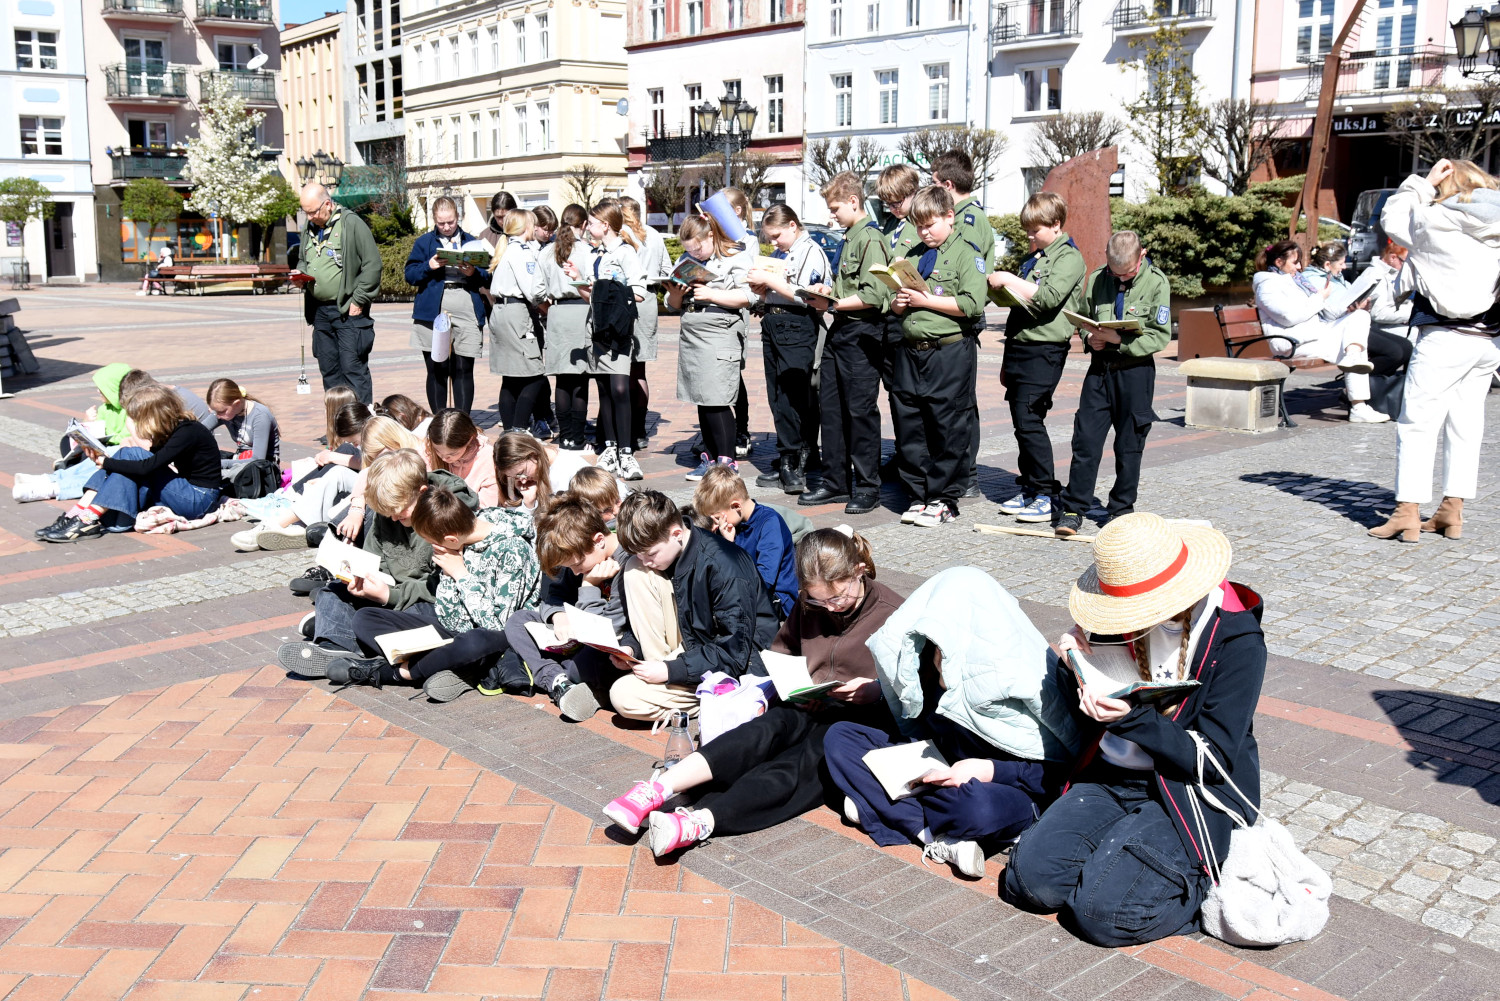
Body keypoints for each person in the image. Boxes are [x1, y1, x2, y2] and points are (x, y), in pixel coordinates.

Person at [1001, 513, 1267, 948]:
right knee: (1031, 884)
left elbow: (1214, 760)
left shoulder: (1236, 640)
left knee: (1103, 917)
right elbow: (1092, 706)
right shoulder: (1113, 614)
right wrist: (1075, 666)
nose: (1129, 618)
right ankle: (1121, 848)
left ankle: (1188, 883)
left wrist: (1129, 718)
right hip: (1111, 775)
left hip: (1187, 789)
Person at [600, 527, 902, 857]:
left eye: (838, 597)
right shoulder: (809, 604)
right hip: (810, 702)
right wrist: (791, 687)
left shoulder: (893, 614)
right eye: (819, 599)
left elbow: (915, 692)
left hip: (861, 719)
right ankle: (656, 790)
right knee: (759, 733)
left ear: (859, 571)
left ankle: (700, 821)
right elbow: (783, 649)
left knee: (804, 765)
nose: (829, 607)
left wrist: (877, 692)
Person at [825, 567, 1079, 877]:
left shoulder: (1022, 675)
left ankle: (884, 807)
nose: (940, 652)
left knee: (976, 808)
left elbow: (1061, 773)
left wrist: (989, 770)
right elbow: (913, 726)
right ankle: (933, 836)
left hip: (1002, 788)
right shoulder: (923, 658)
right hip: (938, 767)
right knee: (841, 737)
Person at [1370, 158, 1500, 543]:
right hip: (1487, 341)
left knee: (1418, 424)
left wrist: (1422, 184)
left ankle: (1407, 513)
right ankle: (1451, 510)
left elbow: (1393, 218)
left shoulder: (1435, 219)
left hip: (1445, 337)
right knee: (1466, 424)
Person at [328, 485, 541, 702]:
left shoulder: (513, 550)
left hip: (493, 636)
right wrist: (450, 576)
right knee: (365, 618)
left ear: (451, 539)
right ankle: (449, 664)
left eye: (433, 543)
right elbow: (445, 612)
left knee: (474, 642)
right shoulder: (458, 536)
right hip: (453, 629)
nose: (433, 548)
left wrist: (461, 575)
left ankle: (399, 673)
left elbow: (498, 625)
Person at [277, 448, 479, 676]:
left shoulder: (445, 515)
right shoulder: (390, 513)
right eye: (387, 512)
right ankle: (334, 647)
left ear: (421, 492)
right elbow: (374, 558)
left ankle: (345, 636)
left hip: (424, 601)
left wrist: (388, 595)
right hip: (389, 594)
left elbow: (441, 589)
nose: (393, 517)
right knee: (331, 592)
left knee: (414, 614)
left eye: (399, 512)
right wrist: (361, 579)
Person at [601, 490, 779, 723]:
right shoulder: (667, 552)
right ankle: (661, 676)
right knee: (635, 568)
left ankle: (709, 696)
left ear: (676, 533)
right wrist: (631, 648)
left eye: (650, 553)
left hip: (737, 667)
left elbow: (733, 654)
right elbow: (667, 617)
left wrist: (671, 670)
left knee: (623, 695)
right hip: (692, 650)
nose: (646, 560)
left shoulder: (724, 566)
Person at [1055, 231, 1171, 537]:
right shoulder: (1098, 278)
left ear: (1142, 255)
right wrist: (1089, 338)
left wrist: (1119, 340)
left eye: (1127, 273)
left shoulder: (1157, 282)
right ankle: (1073, 508)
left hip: (1135, 371)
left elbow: (1160, 335)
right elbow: (1083, 317)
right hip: (1100, 370)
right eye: (1114, 271)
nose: (1119, 278)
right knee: (1086, 441)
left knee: (1129, 444)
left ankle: (1120, 510)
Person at [888, 186, 987, 529]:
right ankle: (918, 495)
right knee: (910, 424)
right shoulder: (912, 255)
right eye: (918, 226)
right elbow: (896, 304)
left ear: (949, 216)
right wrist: (898, 303)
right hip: (911, 350)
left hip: (948, 351)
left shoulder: (966, 254)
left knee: (947, 426)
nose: (924, 232)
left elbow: (972, 304)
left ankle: (944, 498)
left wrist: (924, 300)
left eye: (930, 225)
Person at [989, 192, 1087, 526]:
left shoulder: (1068, 258)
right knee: (1021, 422)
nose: (1030, 236)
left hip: (1044, 348)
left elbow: (1047, 298)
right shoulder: (1037, 257)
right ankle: (1031, 486)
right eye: (1028, 230)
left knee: (1030, 419)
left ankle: (1045, 493)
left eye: (1036, 230)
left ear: (1056, 224)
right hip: (1021, 344)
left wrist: (1009, 279)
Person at [802, 172, 887, 514]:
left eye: (835, 208)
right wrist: (828, 292)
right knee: (832, 409)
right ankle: (835, 481)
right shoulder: (850, 237)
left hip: (862, 333)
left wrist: (832, 303)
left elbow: (874, 294)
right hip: (841, 329)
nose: (832, 214)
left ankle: (867, 487)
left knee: (860, 412)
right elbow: (847, 287)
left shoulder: (871, 239)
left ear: (854, 201)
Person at [39, 385, 222, 543]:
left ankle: (87, 519)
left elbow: (147, 466)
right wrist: (105, 460)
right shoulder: (170, 429)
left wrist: (107, 463)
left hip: (200, 499)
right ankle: (76, 515)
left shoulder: (188, 431)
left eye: (139, 418)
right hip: (186, 494)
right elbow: (147, 463)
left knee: (131, 455)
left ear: (155, 414)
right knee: (127, 455)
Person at [507, 492, 628, 720]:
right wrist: (558, 616)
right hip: (576, 636)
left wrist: (590, 585)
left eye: (576, 564)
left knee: (581, 665)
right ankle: (557, 680)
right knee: (518, 621)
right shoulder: (583, 555)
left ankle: (560, 678)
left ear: (599, 540)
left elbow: (606, 632)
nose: (575, 572)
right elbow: (555, 595)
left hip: (608, 647)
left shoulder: (626, 565)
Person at [665, 209, 757, 480]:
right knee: (702, 398)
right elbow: (672, 306)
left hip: (720, 330)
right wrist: (675, 294)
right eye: (689, 251)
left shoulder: (735, 256)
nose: (694, 254)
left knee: (717, 398)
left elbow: (749, 296)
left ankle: (727, 463)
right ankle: (711, 457)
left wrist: (712, 294)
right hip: (693, 331)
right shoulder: (686, 260)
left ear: (711, 236)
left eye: (698, 248)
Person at [747, 204, 829, 495]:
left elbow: (808, 295)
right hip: (774, 322)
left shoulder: (810, 251)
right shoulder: (781, 254)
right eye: (769, 237)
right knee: (777, 393)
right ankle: (790, 454)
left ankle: (794, 459)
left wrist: (771, 282)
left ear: (793, 226)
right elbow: (777, 289)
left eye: (777, 235)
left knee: (792, 393)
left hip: (796, 324)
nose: (773, 242)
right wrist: (762, 292)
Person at [1251, 240, 1382, 423]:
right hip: (1293, 342)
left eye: (1299, 262)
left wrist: (1351, 306)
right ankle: (1358, 407)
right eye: (1295, 262)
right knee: (1354, 346)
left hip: (1314, 336)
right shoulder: (1267, 286)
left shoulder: (1296, 280)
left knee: (1359, 318)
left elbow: (1326, 314)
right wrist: (1319, 298)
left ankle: (1353, 361)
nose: (1299, 267)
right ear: (1279, 262)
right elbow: (1288, 317)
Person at [931, 149, 996, 499]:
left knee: (960, 404)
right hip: (945, 313)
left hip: (960, 316)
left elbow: (967, 275)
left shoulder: (969, 220)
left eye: (934, 183)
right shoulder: (965, 215)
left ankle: (967, 473)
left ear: (947, 185)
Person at [577, 201, 647, 481]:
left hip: (618, 329)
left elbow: (639, 291)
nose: (588, 227)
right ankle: (609, 448)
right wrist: (579, 283)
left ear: (606, 225)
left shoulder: (625, 252)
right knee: (604, 390)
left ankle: (626, 452)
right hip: (596, 328)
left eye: (592, 223)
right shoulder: (595, 253)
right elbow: (592, 297)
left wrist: (609, 290)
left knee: (619, 389)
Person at [404, 196, 489, 416]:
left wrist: (473, 272)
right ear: (434, 220)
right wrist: (429, 266)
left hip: (465, 301)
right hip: (433, 306)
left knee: (463, 367)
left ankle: (462, 419)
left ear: (457, 217)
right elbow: (410, 275)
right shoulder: (424, 242)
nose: (447, 227)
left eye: (450, 222)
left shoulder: (472, 241)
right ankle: (439, 419)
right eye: (441, 223)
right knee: (437, 367)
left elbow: (487, 277)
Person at [299, 182, 382, 403]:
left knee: (352, 369)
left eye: (313, 212)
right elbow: (303, 260)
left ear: (327, 204)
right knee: (330, 371)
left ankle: (361, 421)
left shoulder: (351, 223)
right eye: (305, 212)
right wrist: (300, 275)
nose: (309, 217)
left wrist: (359, 299)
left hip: (347, 309)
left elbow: (372, 265)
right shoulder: (310, 228)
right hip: (319, 311)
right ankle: (337, 421)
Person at [692, 464, 797, 616]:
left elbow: (764, 581)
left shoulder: (769, 523)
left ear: (736, 506)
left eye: (716, 518)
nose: (715, 525)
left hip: (777, 599)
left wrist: (731, 548)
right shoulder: (732, 523)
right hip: (747, 590)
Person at [535, 205, 597, 452]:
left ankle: (566, 437)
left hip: (558, 313)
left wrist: (549, 310)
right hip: (582, 312)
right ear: (584, 225)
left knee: (562, 379)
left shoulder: (547, 252)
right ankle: (578, 437)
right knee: (580, 379)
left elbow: (536, 292)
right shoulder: (588, 251)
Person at [877, 163, 925, 465]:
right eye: (888, 203)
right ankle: (903, 450)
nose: (894, 207)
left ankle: (915, 455)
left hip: (910, 316)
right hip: (889, 315)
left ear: (913, 192)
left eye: (898, 201)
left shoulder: (921, 224)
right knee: (895, 391)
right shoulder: (890, 226)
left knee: (910, 394)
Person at [489, 209, 550, 435]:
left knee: (511, 377)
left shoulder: (507, 248)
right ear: (526, 227)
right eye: (533, 224)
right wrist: (549, 308)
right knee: (534, 374)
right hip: (517, 312)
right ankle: (519, 427)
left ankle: (509, 430)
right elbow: (532, 291)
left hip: (501, 311)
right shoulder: (521, 252)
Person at [620, 196, 668, 452]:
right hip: (648, 299)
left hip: (624, 298)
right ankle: (639, 429)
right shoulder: (654, 235)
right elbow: (666, 270)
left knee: (620, 368)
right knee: (639, 370)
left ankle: (624, 427)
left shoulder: (620, 234)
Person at [493, 430, 621, 512]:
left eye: (522, 472)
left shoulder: (569, 467)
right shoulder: (520, 478)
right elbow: (515, 518)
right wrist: (528, 503)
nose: (522, 480)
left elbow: (614, 491)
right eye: (514, 477)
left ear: (533, 455)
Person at [426, 408, 498, 507]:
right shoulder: (427, 450)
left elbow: (487, 504)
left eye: (452, 454)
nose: (444, 458)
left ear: (469, 440)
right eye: (437, 451)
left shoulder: (488, 458)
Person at [205, 378, 281, 470]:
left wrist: (217, 464)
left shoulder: (260, 416)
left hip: (263, 468)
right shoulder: (223, 412)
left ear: (236, 403)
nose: (217, 415)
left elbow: (257, 460)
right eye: (215, 411)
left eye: (221, 411)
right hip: (242, 462)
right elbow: (198, 430)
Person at [480, 190, 518, 261]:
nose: (503, 221)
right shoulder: (485, 235)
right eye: (499, 217)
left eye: (506, 216)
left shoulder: (526, 233)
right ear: (493, 213)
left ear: (515, 212)